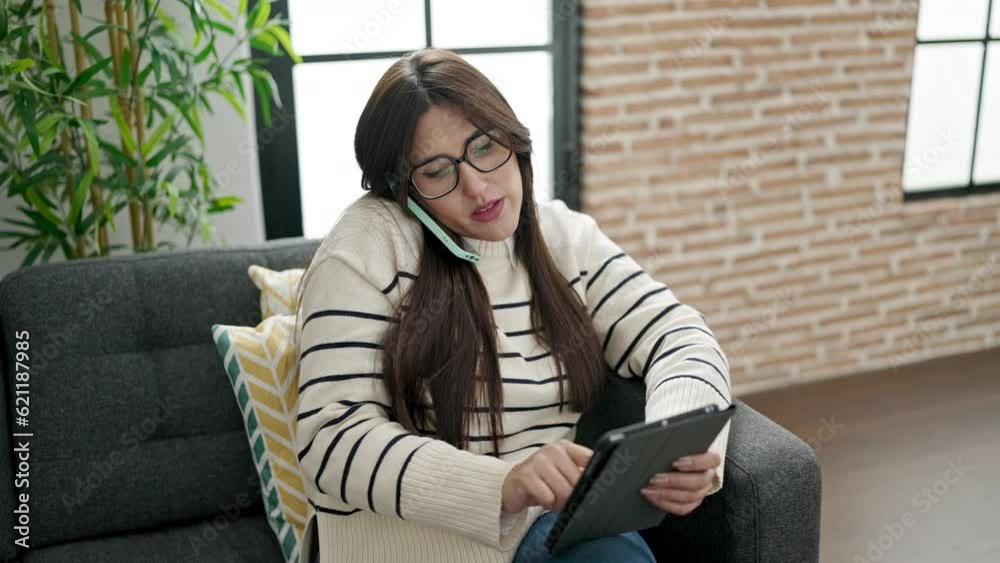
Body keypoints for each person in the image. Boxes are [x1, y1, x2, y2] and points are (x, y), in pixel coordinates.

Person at [294, 47, 732, 563]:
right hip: (410, 543)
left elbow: (677, 334)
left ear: (513, 137)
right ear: (400, 187)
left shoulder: (564, 238)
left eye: (485, 145)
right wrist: (502, 483)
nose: (478, 187)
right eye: (437, 172)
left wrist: (680, 448)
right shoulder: (367, 246)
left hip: (548, 531)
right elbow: (331, 439)